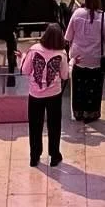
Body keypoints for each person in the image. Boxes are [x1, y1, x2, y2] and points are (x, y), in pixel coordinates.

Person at [20, 22, 70, 167]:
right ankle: (54, 156)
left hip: (35, 95)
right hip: (54, 94)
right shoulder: (61, 54)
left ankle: (34, 157)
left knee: (35, 126)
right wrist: (72, 63)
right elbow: (65, 75)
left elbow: (25, 70)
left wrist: (22, 57)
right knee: (54, 126)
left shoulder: (34, 50)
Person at [64, 0, 105, 123]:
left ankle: (78, 112)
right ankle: (91, 113)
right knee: (94, 87)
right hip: (96, 58)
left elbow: (68, 36)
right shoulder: (104, 17)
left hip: (77, 57)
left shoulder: (77, 13)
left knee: (78, 86)